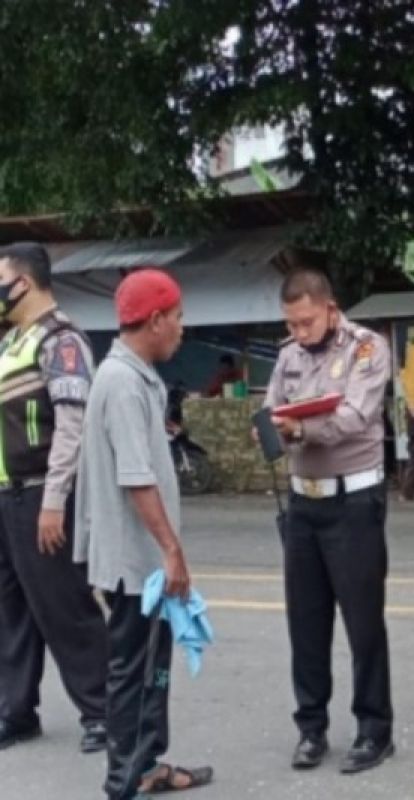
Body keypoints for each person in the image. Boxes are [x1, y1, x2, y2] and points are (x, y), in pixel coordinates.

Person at [74, 269, 213, 799]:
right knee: (132, 671)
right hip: (135, 562)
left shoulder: (135, 376)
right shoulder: (123, 383)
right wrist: (172, 551)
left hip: (143, 561)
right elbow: (137, 479)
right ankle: (122, 782)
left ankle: (148, 764)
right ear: (154, 320)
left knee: (152, 665)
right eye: (177, 318)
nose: (181, 328)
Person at [263, 269, 394, 774]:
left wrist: (298, 427)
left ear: (330, 308)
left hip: (353, 503)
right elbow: (271, 406)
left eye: (306, 322)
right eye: (292, 324)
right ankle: (311, 729)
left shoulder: (366, 348)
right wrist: (271, 429)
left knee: (363, 625)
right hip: (303, 505)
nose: (299, 333)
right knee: (306, 624)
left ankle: (374, 730)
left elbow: (356, 418)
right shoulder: (287, 356)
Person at [0, 243, 108, 754]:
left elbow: (73, 425)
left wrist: (54, 501)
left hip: (43, 493)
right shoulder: (10, 344)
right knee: (10, 612)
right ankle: (16, 711)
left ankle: (103, 711)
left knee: (64, 605)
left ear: (24, 282)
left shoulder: (61, 342)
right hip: (6, 497)